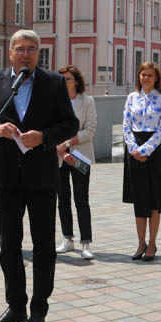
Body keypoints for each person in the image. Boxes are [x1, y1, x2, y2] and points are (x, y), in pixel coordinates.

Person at [0, 29, 79, 322]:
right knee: (9, 245)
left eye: (31, 49)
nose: (26, 54)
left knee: (43, 245)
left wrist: (44, 136)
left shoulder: (54, 83)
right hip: (6, 177)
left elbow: (71, 123)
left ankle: (38, 309)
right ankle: (15, 305)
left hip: (42, 177)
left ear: (38, 53)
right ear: (11, 52)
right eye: (20, 49)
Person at [122, 61, 161, 264]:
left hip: (155, 151)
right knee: (139, 199)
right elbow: (126, 124)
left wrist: (144, 151)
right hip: (134, 149)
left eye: (150, 75)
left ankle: (152, 243)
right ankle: (140, 243)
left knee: (154, 200)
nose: (146, 78)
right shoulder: (131, 98)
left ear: (157, 78)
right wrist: (134, 149)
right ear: (138, 77)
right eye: (143, 75)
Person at [55, 65, 97, 260]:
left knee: (81, 199)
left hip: (81, 156)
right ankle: (67, 239)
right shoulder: (54, 102)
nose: (64, 83)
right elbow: (51, 129)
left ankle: (86, 243)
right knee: (62, 200)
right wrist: (62, 152)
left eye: (68, 79)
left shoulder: (87, 101)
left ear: (76, 81)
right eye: (61, 79)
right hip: (60, 158)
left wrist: (68, 143)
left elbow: (90, 130)